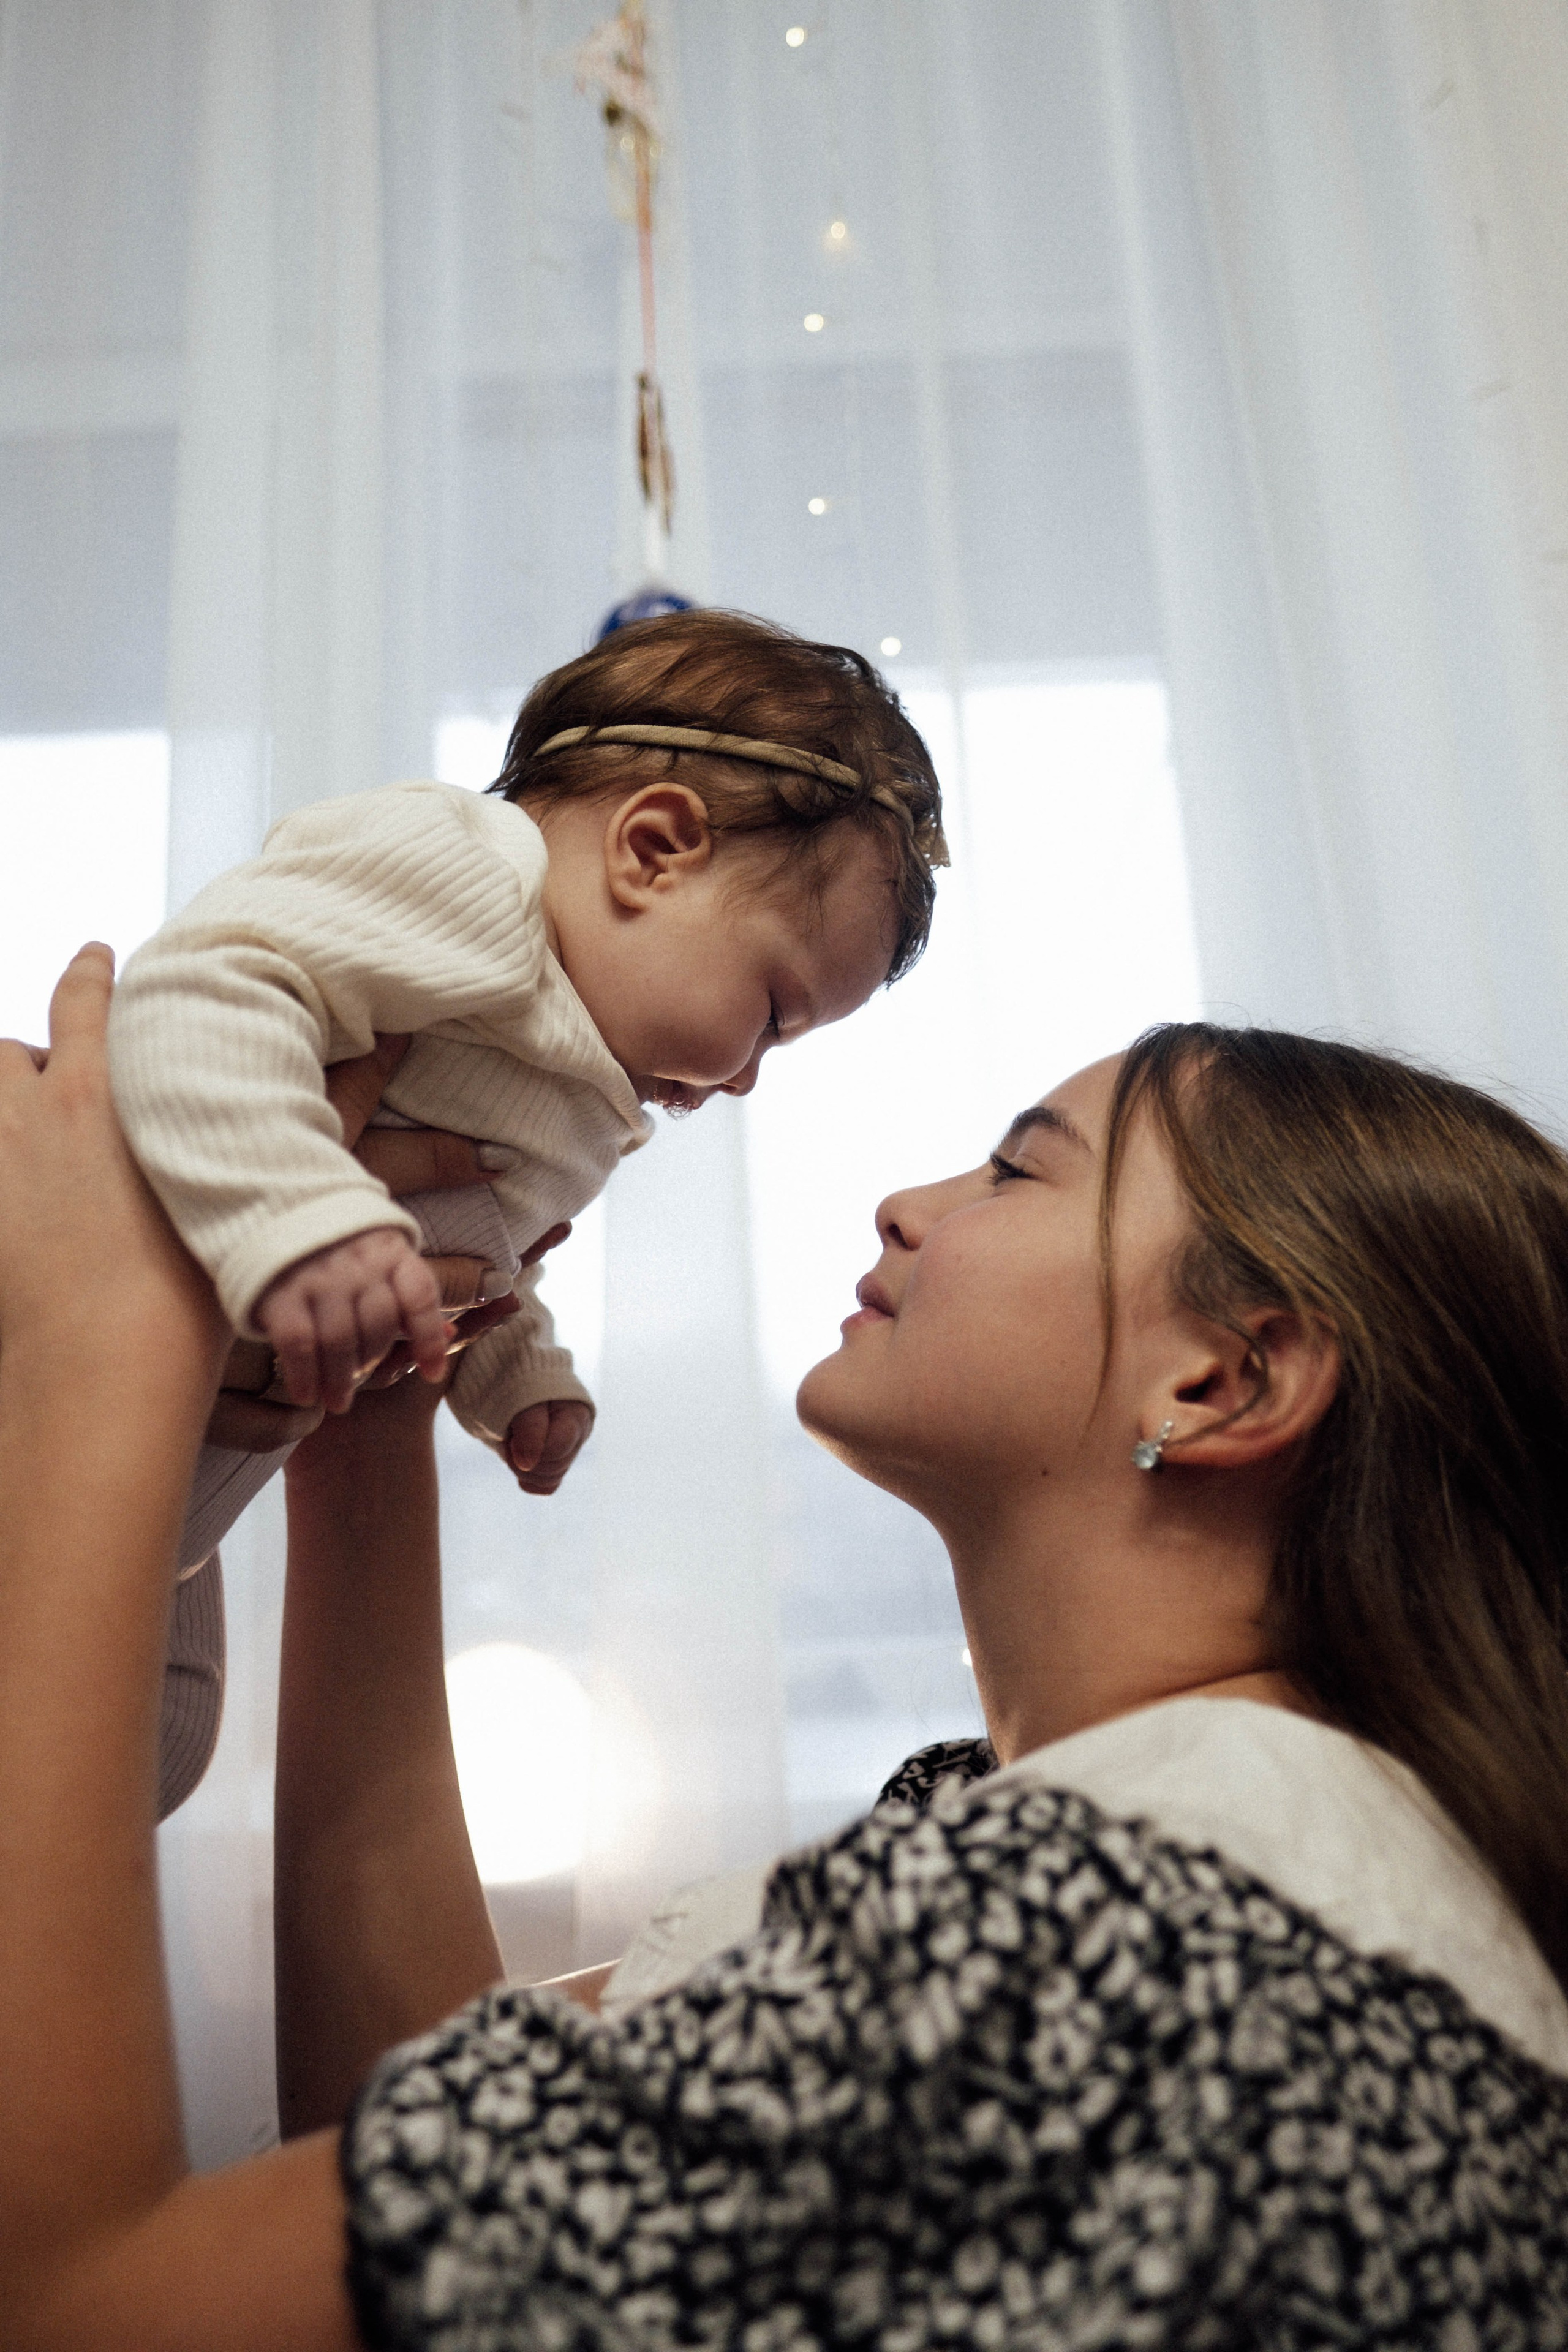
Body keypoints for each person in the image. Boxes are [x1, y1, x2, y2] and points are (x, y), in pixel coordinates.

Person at [4, 951, 1568, 2350]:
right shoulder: (1178, 1854)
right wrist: (377, 1412)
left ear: (1226, 1379)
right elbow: (434, 2174)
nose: (909, 1199)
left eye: (1016, 1173)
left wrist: (103, 1345)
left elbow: (83, 2305)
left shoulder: (1093, 1931)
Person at [109, 607, 944, 1814]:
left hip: (187, 1465)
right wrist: (304, 1220)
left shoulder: (568, 1083)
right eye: (772, 1011)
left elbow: (471, 1246)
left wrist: (514, 1370)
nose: (748, 1075)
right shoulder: (468, 880)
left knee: (158, 1753)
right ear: (652, 850)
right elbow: (202, 991)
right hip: (61, 1369)